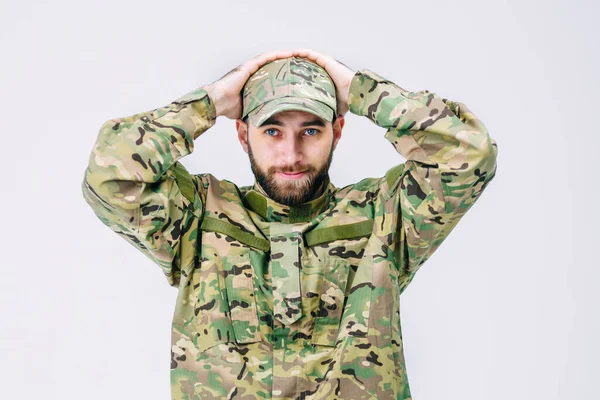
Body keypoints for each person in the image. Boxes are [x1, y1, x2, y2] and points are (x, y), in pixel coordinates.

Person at [82, 48, 498, 399]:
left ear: (337, 132)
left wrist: (360, 91)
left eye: (310, 130)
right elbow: (111, 175)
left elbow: (469, 154)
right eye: (273, 132)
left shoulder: (383, 217)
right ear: (244, 135)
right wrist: (210, 102)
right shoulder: (199, 218)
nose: (291, 155)